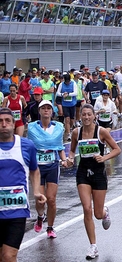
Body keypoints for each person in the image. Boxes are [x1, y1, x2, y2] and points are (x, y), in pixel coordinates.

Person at [66, 104, 121, 260]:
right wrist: (70, 159)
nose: (86, 117)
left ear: (94, 116)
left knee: (97, 213)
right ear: (81, 116)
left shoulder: (101, 132)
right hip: (83, 173)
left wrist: (104, 158)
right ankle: (93, 246)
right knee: (86, 209)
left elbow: (117, 149)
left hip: (98, 173)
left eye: (89, 114)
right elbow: (71, 150)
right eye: (83, 115)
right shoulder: (77, 132)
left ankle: (104, 212)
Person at [0, 107, 47, 262]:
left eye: (7, 121)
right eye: (0, 121)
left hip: (17, 211)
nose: (4, 124)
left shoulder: (27, 146)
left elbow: (35, 171)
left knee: (8, 255)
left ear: (14, 124)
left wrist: (36, 192)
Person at [27, 100, 68, 238]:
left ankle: (50, 227)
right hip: (37, 168)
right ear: (39, 111)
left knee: (51, 199)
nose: (46, 110)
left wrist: (64, 160)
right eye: (43, 108)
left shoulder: (58, 128)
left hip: (52, 165)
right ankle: (40, 216)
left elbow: (60, 147)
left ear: (52, 112)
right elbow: (28, 147)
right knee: (40, 199)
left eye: (48, 108)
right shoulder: (32, 128)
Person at [56, 74, 78, 141]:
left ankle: (70, 128)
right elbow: (57, 93)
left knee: (71, 120)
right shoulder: (61, 84)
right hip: (65, 104)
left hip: (72, 104)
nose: (67, 83)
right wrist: (63, 94)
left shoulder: (73, 84)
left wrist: (68, 94)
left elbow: (76, 93)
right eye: (66, 81)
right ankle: (68, 134)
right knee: (67, 119)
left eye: (68, 81)